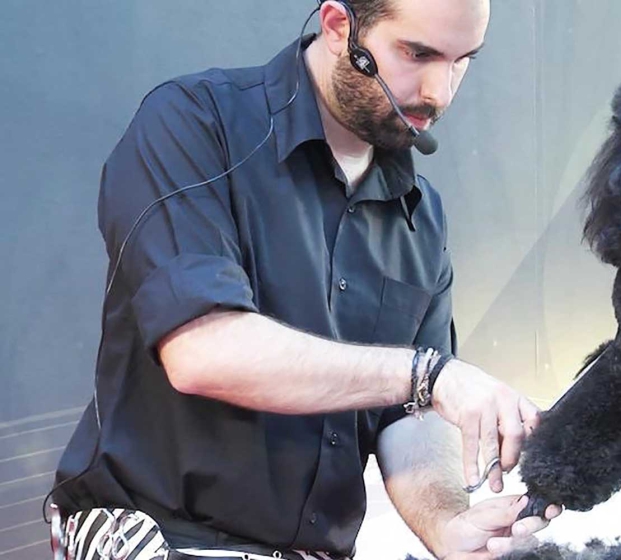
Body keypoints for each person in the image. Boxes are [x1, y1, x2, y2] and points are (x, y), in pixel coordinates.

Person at [50, 1, 561, 558]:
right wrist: (428, 374)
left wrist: (447, 525)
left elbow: (408, 416)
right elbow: (202, 351)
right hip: (155, 531)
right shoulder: (194, 122)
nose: (439, 92)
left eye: (463, 61)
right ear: (339, 26)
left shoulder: (423, 216)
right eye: (418, 54)